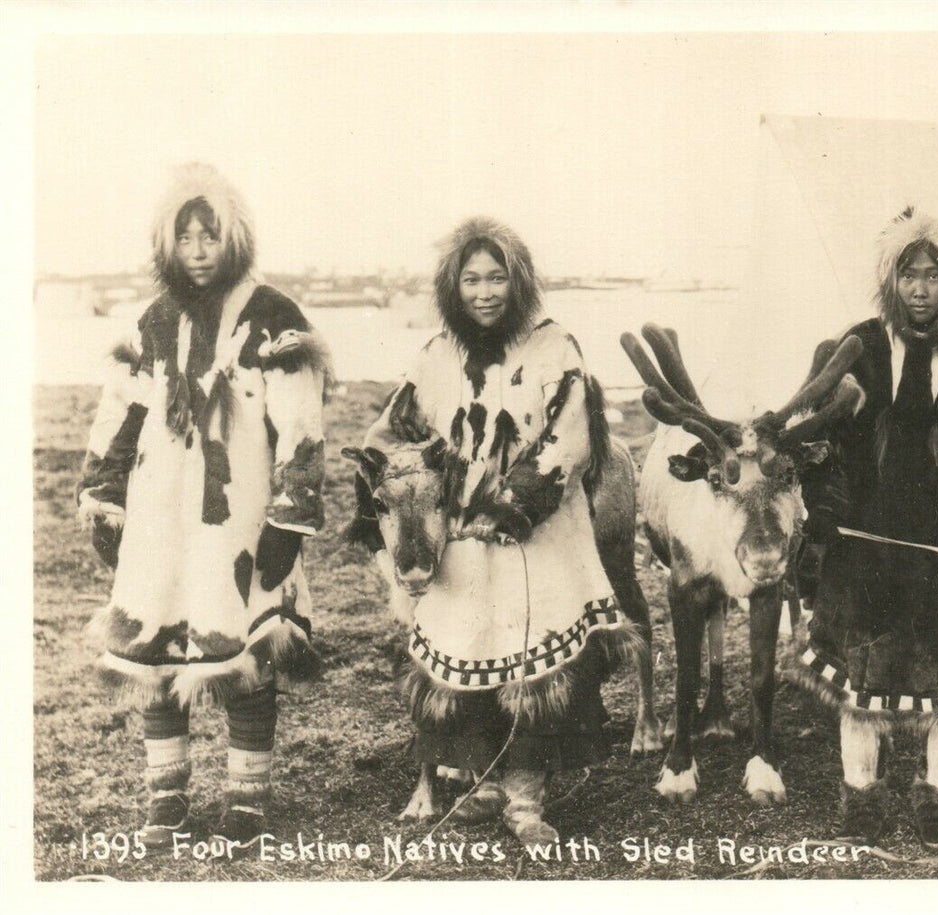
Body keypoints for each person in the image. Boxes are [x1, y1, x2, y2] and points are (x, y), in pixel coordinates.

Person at [353, 216, 638, 844]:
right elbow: (388, 434)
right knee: (469, 651)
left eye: (496, 277)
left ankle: (526, 800)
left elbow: (572, 437)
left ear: (519, 280)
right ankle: (482, 781)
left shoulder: (553, 346)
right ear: (452, 287)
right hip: (461, 541)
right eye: (470, 279)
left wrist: (511, 504)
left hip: (535, 536)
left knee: (532, 662)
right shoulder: (436, 355)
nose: (484, 292)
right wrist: (409, 483)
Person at [78, 163, 330, 850]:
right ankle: (168, 798)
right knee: (155, 648)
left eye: (209, 235)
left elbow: (302, 426)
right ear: (167, 241)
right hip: (160, 514)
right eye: (184, 236)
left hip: (238, 519)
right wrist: (103, 493)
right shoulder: (155, 318)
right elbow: (121, 412)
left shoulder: (271, 316)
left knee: (242, 649)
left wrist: (288, 517)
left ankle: (246, 801)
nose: (196, 249)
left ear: (233, 238)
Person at [789, 208, 938, 851]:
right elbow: (818, 442)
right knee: (860, 676)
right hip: (862, 543)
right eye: (908, 275)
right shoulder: (858, 348)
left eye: (934, 275)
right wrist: (828, 512)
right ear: (888, 282)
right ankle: (861, 795)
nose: (920, 289)